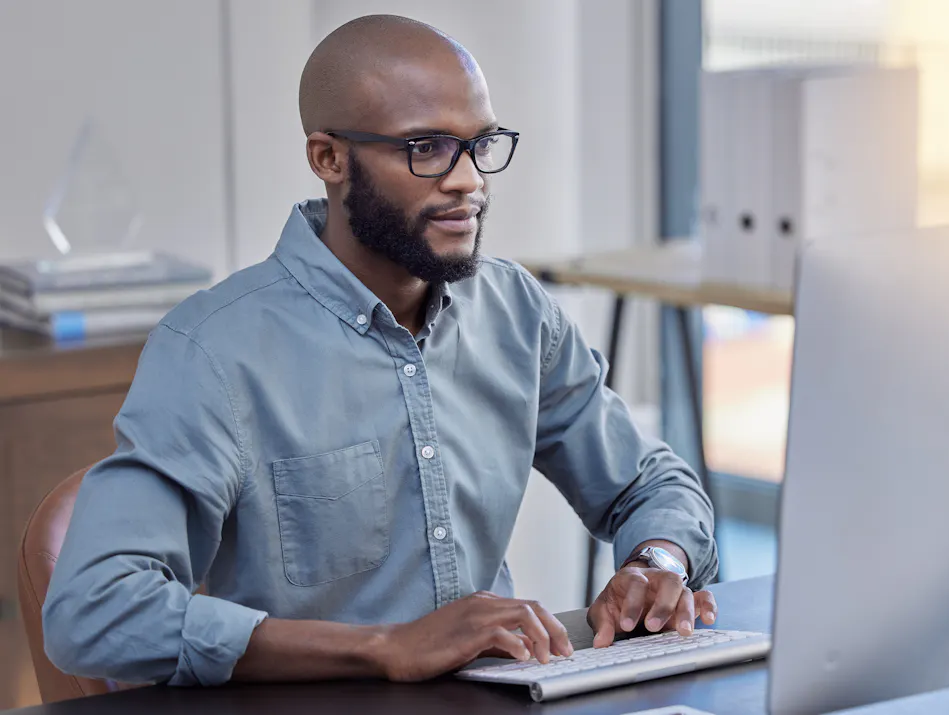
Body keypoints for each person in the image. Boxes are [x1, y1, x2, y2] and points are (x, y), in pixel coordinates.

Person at [42, 14, 718, 687]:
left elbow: (648, 483)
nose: (467, 181)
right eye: (427, 148)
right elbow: (93, 610)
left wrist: (655, 562)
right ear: (329, 159)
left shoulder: (513, 311)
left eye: (480, 145)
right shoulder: (212, 351)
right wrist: (384, 645)